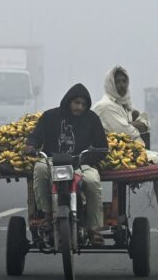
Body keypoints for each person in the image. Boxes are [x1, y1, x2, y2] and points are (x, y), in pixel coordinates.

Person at [93, 65, 158, 236]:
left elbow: (145, 120)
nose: (122, 85)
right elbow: (127, 132)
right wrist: (136, 125)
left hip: (131, 150)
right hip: (115, 153)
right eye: (117, 81)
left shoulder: (124, 104)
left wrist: (136, 124)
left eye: (124, 81)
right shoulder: (106, 106)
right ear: (110, 84)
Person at [25, 83, 109, 244]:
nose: (80, 107)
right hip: (52, 161)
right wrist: (31, 146)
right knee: (40, 169)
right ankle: (48, 215)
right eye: (77, 102)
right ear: (69, 101)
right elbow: (35, 136)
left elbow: (102, 146)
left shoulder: (92, 119)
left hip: (80, 163)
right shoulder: (50, 116)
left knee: (92, 180)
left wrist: (90, 157)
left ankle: (94, 228)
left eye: (83, 104)